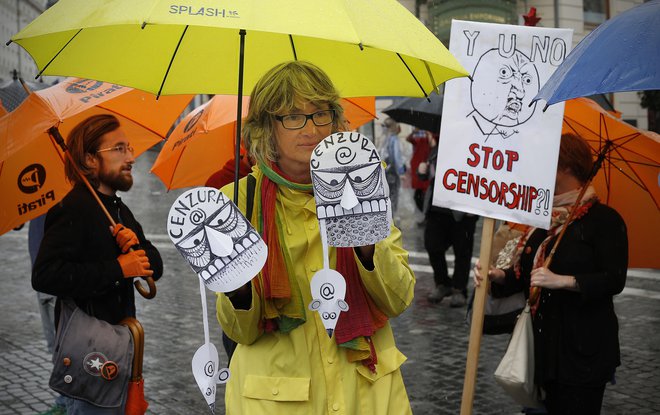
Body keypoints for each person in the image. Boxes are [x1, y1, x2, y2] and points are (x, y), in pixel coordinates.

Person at [215, 61, 415, 414]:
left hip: (367, 395)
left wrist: (365, 245)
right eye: (292, 116)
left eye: (319, 113)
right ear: (266, 128)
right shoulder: (238, 201)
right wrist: (238, 289)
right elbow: (241, 332)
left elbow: (398, 299)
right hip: (276, 402)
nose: (309, 128)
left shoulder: (364, 185)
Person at [474, 133, 628, 414]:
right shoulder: (544, 218)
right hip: (542, 351)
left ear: (566, 166)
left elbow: (614, 279)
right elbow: (525, 278)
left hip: (583, 353)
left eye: (547, 161)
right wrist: (498, 276)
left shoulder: (605, 220)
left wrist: (565, 282)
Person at [32, 114, 163, 414]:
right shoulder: (72, 208)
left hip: (121, 352)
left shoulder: (119, 209)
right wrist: (118, 269)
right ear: (90, 159)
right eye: (119, 149)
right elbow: (45, 275)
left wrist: (136, 244)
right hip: (91, 353)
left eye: (129, 148)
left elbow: (155, 266)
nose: (130, 157)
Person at [421, 137, 478, 307]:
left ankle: (459, 289)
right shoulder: (436, 148)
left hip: (463, 207)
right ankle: (443, 283)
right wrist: (422, 171)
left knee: (463, 251)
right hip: (437, 209)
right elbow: (429, 175)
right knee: (432, 245)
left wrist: (474, 206)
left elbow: (481, 176)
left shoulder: (472, 146)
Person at [381, 117, 406, 215]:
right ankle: (392, 221)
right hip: (393, 172)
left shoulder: (384, 139)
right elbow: (397, 156)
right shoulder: (394, 139)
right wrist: (401, 172)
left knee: (387, 196)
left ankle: (388, 219)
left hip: (385, 172)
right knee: (393, 196)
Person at [406, 128, 432, 213]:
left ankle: (425, 215)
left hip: (424, 172)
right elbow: (408, 139)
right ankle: (424, 215)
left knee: (424, 196)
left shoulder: (430, 141)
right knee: (418, 196)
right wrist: (414, 132)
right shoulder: (420, 140)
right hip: (418, 171)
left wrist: (428, 133)